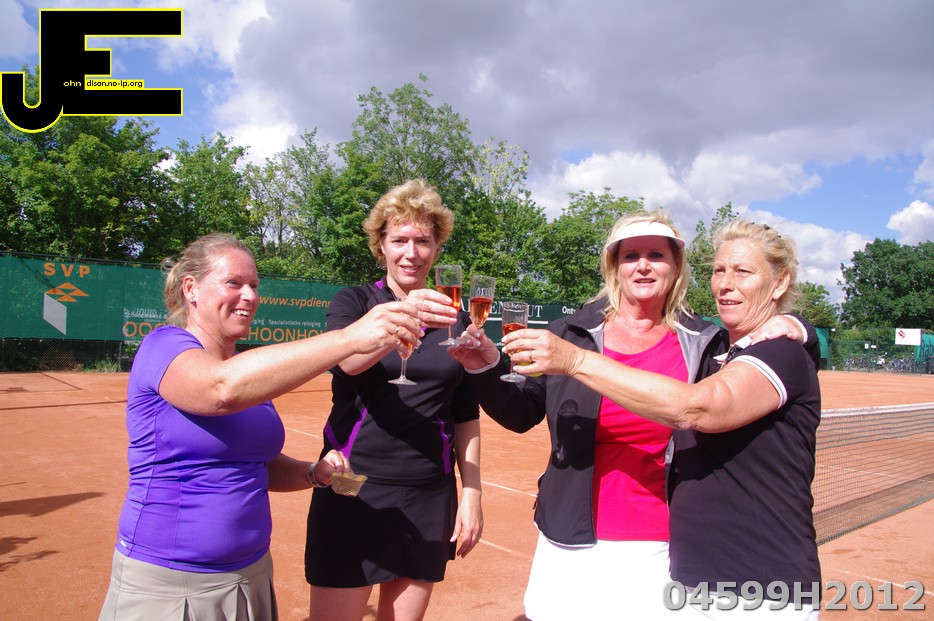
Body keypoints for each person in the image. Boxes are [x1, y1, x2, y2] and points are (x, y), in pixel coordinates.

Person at [450, 211, 810, 620]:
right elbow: (521, 412)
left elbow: (748, 374)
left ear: (675, 267)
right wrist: (485, 368)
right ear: (614, 267)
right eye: (630, 256)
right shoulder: (569, 332)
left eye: (656, 255)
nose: (643, 266)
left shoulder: (705, 343)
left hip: (664, 544)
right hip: (569, 536)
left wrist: (798, 326)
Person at [99, 232, 447, 620]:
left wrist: (313, 473)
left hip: (249, 575)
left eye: (254, 285)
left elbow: (257, 465)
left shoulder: (249, 376)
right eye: (234, 283)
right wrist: (351, 338)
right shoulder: (163, 346)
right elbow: (219, 390)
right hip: (170, 582)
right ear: (191, 288)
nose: (249, 295)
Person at [304, 179, 483, 621]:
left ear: (436, 248)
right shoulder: (355, 302)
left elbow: (464, 412)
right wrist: (410, 316)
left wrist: (472, 493)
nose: (411, 252)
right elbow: (348, 362)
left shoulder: (456, 317)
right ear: (380, 245)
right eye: (399, 240)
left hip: (429, 493)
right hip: (352, 485)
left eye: (423, 241)